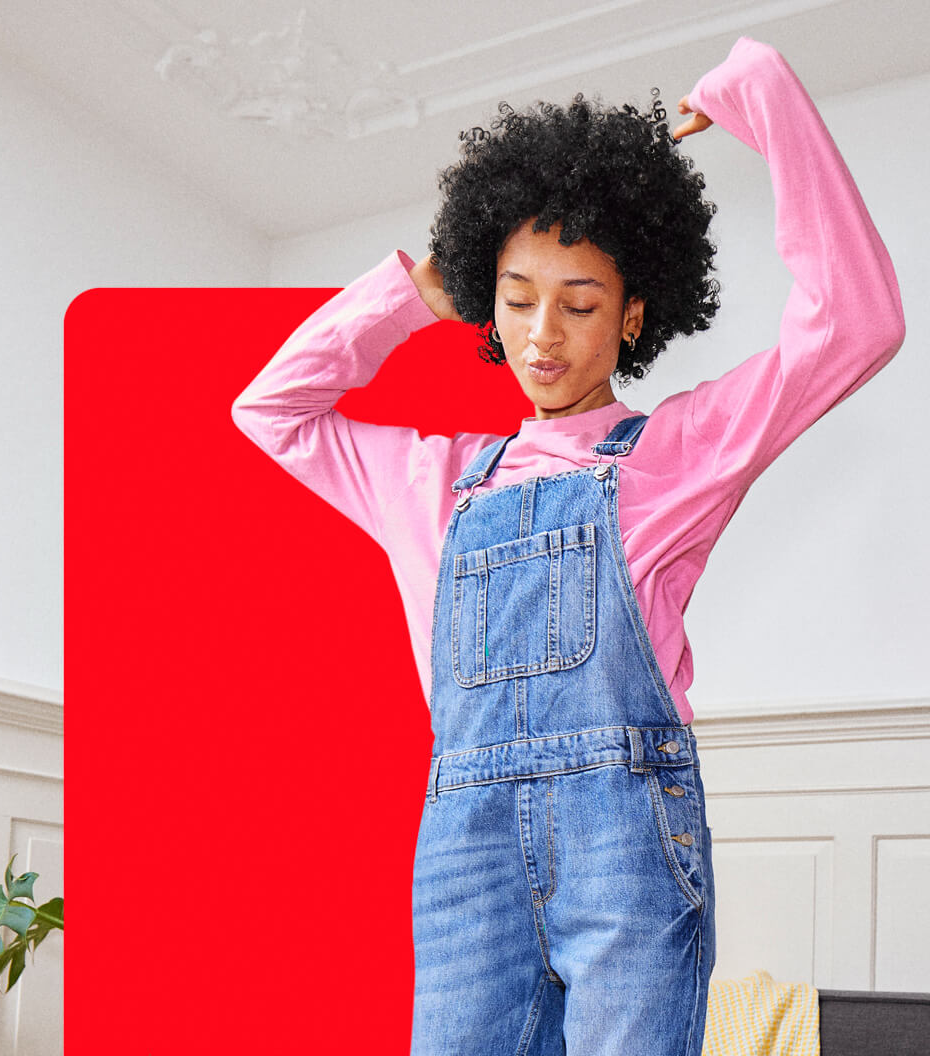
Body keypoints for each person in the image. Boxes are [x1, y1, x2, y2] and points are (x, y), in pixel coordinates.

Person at [232, 37, 903, 1056]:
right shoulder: (426, 479)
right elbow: (270, 409)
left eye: (579, 304)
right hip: (463, 858)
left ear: (631, 316)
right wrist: (410, 294)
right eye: (515, 299)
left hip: (623, 847)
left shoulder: (677, 453)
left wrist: (759, 92)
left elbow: (854, 323)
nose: (543, 333)